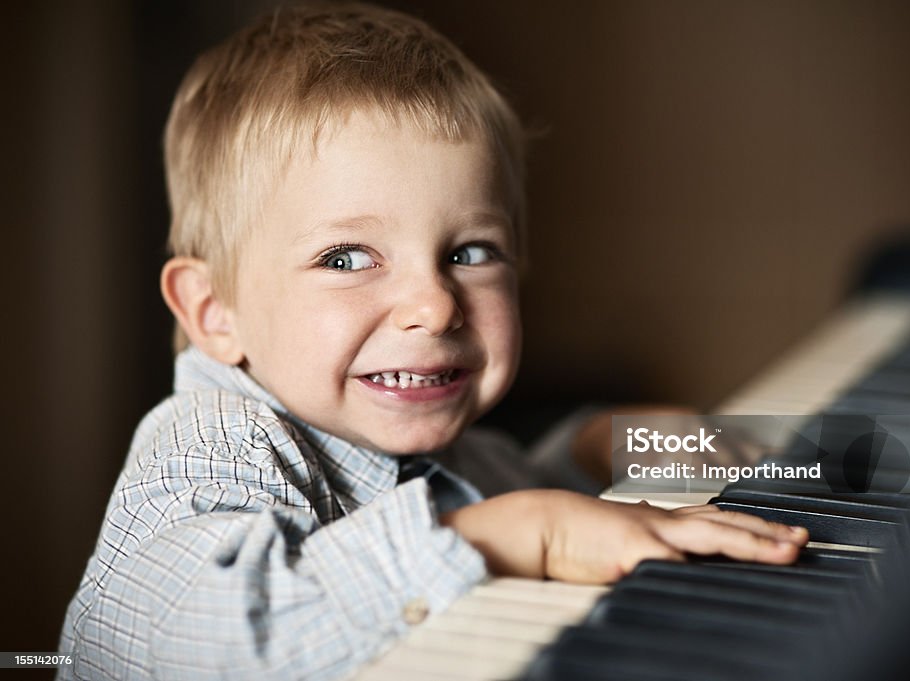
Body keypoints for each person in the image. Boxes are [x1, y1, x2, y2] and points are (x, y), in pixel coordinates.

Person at [59, 3, 808, 678]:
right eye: (347, 258)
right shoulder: (213, 441)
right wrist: (524, 533)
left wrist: (591, 453)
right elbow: (208, 641)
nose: (434, 304)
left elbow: (504, 502)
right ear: (215, 309)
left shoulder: (437, 444)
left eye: (471, 251)